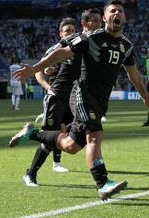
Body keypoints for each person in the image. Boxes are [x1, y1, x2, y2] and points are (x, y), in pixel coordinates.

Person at [9, 0, 149, 200]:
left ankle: (33, 133)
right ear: (105, 17)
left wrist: (147, 98)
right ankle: (102, 183)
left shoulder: (127, 46)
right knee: (95, 135)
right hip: (82, 94)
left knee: (71, 146)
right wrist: (35, 69)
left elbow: (134, 75)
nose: (117, 14)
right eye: (112, 11)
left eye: (120, 11)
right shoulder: (91, 38)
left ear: (125, 17)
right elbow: (61, 52)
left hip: (100, 101)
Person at [23, 11, 103, 186]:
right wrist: (47, 81)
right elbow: (41, 68)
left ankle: (53, 162)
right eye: (66, 31)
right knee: (52, 138)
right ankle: (31, 173)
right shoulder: (58, 48)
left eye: (72, 30)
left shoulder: (82, 45)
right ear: (60, 33)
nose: (69, 33)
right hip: (57, 96)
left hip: (74, 98)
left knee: (66, 136)